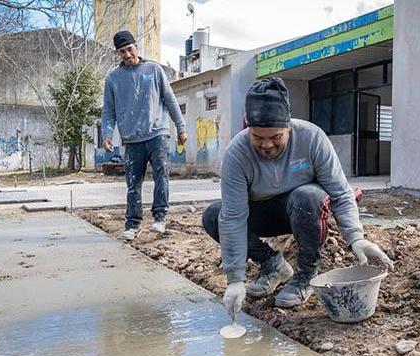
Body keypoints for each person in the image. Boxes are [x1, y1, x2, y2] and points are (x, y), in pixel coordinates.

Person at [202, 78, 393, 316]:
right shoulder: (237, 154)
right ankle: (273, 266)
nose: (266, 144)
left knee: (308, 197)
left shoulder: (311, 138)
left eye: (275, 136)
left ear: (288, 127)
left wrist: (356, 238)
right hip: (259, 212)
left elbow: (341, 193)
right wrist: (235, 279)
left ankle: (305, 274)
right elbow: (233, 217)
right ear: (248, 129)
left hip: (304, 211)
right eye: (258, 137)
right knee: (213, 215)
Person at [101, 30, 188, 240]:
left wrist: (181, 127)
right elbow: (108, 110)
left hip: (158, 134)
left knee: (161, 177)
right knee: (133, 183)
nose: (127, 54)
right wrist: (107, 134)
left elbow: (170, 100)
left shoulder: (154, 70)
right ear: (118, 53)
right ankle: (132, 224)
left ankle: (160, 218)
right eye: (122, 52)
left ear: (136, 47)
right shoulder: (113, 78)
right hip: (132, 139)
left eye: (129, 49)